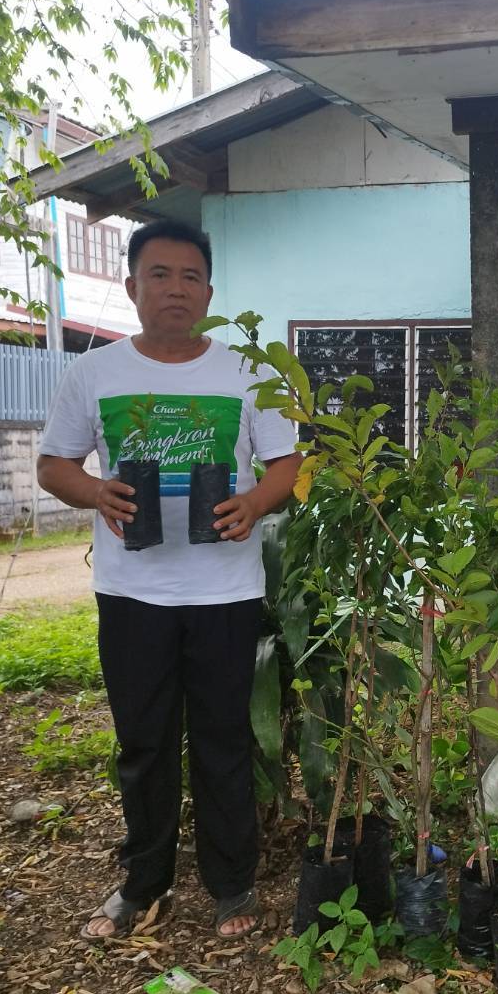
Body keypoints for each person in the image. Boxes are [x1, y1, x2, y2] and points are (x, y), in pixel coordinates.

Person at [37, 219, 301, 940]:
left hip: (225, 593)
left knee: (222, 738)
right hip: (133, 595)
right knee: (144, 742)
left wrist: (254, 503)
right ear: (132, 286)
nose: (175, 289)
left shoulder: (248, 374)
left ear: (209, 291)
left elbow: (285, 462)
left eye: (189, 276)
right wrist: (95, 494)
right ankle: (143, 882)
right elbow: (54, 464)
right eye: (159, 274)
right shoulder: (94, 373)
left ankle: (231, 885)